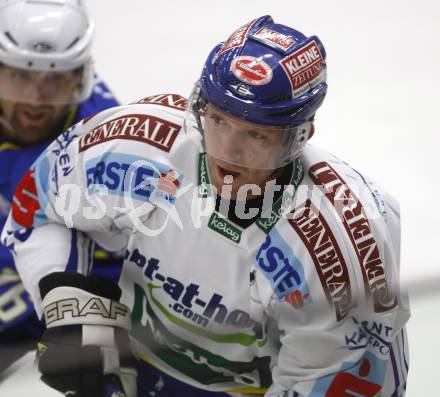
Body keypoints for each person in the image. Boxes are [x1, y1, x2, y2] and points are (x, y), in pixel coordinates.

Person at [2, 15, 410, 397]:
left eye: (257, 136)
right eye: (218, 121)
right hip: (137, 367)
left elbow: (341, 378)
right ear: (199, 108)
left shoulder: (341, 244)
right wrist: (65, 300)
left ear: (299, 137)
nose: (229, 153)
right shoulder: (134, 146)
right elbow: (39, 204)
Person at [0, 0, 120, 372]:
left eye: (55, 80)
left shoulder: (97, 149)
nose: (35, 100)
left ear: (80, 77)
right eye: (19, 76)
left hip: (72, 265)